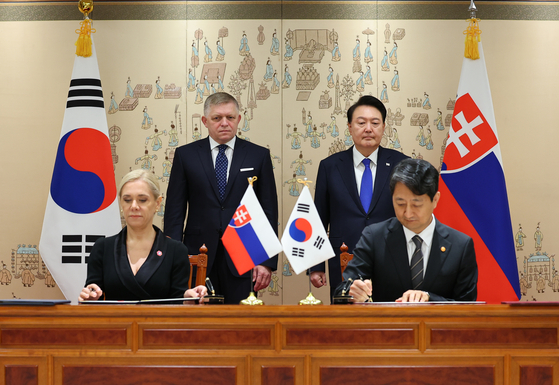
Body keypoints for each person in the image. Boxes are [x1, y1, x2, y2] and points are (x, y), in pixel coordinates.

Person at [164, 92, 278, 304]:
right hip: (197, 254)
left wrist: (266, 261)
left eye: (230, 117)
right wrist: (173, 258)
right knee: (198, 326)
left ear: (239, 119)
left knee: (241, 325)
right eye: (217, 118)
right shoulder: (185, 155)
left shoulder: (258, 155)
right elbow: (174, 212)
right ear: (205, 121)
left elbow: (268, 211)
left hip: (245, 252)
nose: (224, 123)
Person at [337, 158, 478, 302]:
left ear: (435, 200)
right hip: (388, 324)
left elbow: (467, 306)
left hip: (439, 325)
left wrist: (430, 299)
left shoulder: (460, 246)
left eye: (416, 204)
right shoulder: (374, 237)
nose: (408, 213)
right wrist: (352, 292)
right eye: (400, 203)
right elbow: (342, 291)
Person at [310, 95, 409, 300]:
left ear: (383, 127)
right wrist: (316, 265)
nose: (368, 129)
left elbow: (410, 215)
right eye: (361, 123)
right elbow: (319, 218)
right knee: (346, 320)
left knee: (391, 320)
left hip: (392, 258)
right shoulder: (330, 166)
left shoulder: (401, 164)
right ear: (349, 126)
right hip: (344, 258)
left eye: (375, 123)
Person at [80, 170, 207, 301]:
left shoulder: (176, 250)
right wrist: (90, 297)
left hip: (157, 321)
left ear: (157, 203)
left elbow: (177, 302)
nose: (134, 206)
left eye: (142, 200)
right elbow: (94, 295)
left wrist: (187, 298)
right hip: (115, 320)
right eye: (127, 200)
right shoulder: (103, 247)